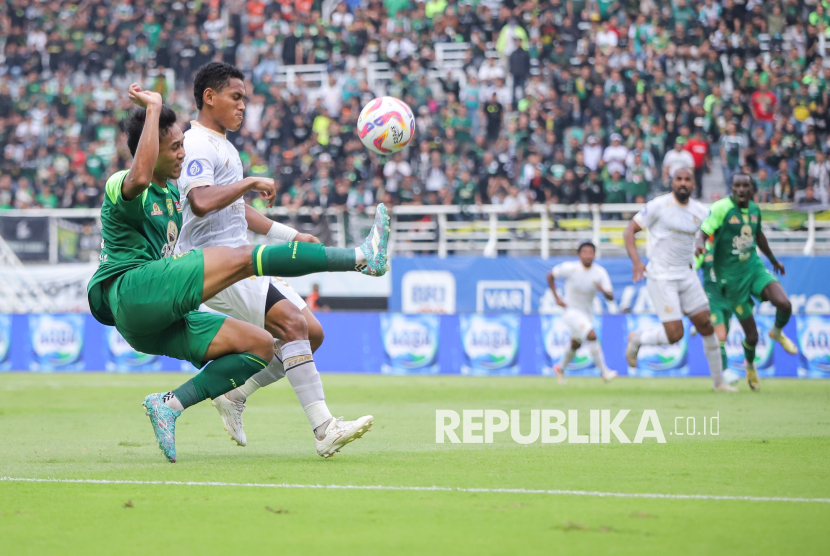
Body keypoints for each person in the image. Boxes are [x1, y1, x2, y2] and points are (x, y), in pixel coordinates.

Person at [87, 84, 390, 463]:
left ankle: (169, 405)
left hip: (151, 319)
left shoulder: (171, 195)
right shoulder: (122, 183)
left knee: (260, 346)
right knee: (247, 258)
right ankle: (360, 258)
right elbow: (141, 175)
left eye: (183, 145)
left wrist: (288, 233)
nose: (182, 153)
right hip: (133, 290)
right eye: (174, 147)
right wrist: (154, 108)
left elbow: (226, 210)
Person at [176, 62, 334, 450]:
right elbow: (199, 201)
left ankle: (235, 394)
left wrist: (291, 234)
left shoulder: (224, 146)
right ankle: (324, 428)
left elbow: (235, 210)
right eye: (236, 97)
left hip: (240, 259)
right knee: (292, 326)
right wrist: (248, 181)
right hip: (214, 263)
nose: (243, 105)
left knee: (312, 333)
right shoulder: (195, 143)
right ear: (209, 97)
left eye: (244, 99)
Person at [622, 168, 735, 392]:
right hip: (661, 276)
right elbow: (629, 231)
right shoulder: (658, 205)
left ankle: (718, 382)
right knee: (675, 335)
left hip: (687, 274)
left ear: (694, 184)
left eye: (688, 180)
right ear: (672, 182)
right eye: (679, 179)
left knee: (706, 325)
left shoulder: (701, 211)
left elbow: (713, 236)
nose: (683, 183)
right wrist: (636, 262)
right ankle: (637, 339)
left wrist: (705, 244)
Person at [695, 174, 798, 392]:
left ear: (752, 188)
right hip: (731, 281)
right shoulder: (722, 208)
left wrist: (773, 260)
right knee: (752, 335)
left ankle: (777, 331)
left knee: (785, 304)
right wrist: (699, 243)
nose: (742, 189)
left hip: (753, 267)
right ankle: (750, 365)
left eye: (746, 186)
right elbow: (704, 230)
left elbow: (758, 235)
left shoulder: (754, 210)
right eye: (737, 186)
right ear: (731, 188)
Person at [546, 242, 618, 384]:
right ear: (579, 255)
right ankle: (604, 372)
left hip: (587, 313)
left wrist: (604, 291)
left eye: (591, 252)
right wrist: (557, 298)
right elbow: (550, 276)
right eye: (584, 252)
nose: (588, 255)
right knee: (592, 335)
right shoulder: (571, 268)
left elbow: (611, 296)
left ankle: (560, 368)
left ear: (594, 255)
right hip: (571, 312)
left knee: (576, 344)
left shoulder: (600, 272)